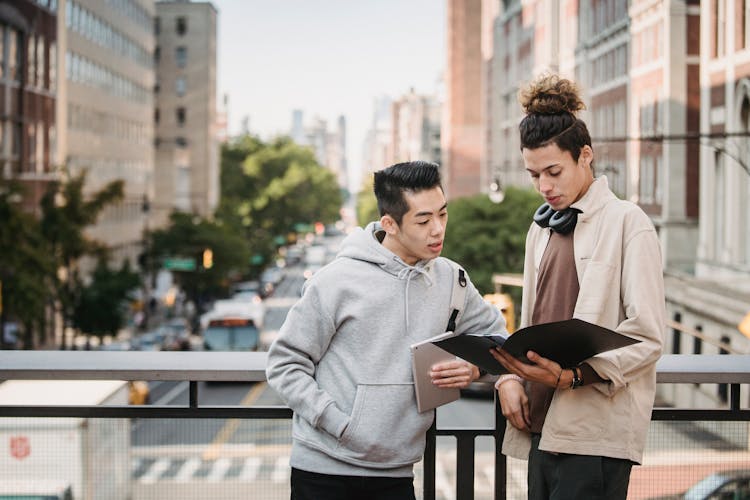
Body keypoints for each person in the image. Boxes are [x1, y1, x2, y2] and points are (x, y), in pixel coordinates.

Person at [266, 160, 507, 500]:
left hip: (397, 471)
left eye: (443, 214)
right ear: (390, 224)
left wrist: (475, 368)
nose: (438, 229)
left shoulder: (452, 280)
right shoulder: (336, 282)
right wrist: (339, 424)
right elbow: (284, 365)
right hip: (323, 469)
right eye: (423, 220)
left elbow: (500, 340)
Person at [490, 74, 665, 500]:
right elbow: (530, 327)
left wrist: (570, 376)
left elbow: (646, 337)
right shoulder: (541, 228)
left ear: (585, 155)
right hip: (538, 426)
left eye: (553, 172)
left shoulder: (629, 222)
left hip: (594, 436)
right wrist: (505, 377)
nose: (544, 186)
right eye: (534, 175)